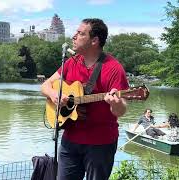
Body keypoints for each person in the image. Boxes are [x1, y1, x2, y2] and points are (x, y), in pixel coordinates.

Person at [41, 18, 129, 180]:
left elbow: (121, 109)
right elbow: (46, 85)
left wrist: (115, 104)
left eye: (80, 33)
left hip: (100, 143)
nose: (74, 37)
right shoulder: (71, 62)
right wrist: (55, 95)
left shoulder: (114, 68)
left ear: (94, 40)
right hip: (70, 139)